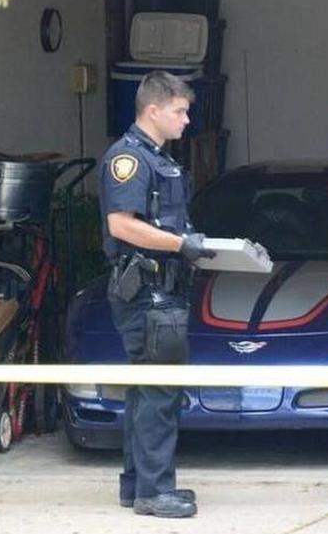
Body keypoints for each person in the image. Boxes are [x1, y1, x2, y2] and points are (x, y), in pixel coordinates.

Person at [99, 70, 216, 519]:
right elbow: (121, 224)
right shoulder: (128, 159)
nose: (187, 120)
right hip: (147, 293)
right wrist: (181, 245)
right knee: (158, 394)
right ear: (153, 110)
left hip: (161, 291)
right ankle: (153, 491)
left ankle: (138, 484)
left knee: (149, 392)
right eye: (180, 111)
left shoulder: (156, 159)